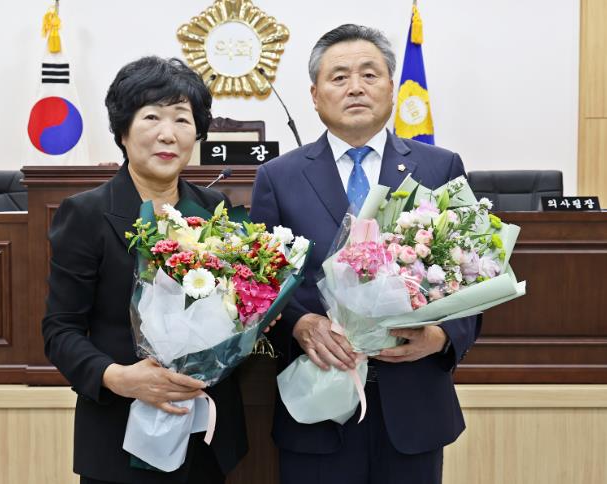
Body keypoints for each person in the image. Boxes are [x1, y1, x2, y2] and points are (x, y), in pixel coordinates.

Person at [250, 24, 482, 484]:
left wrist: (441, 336)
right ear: (315, 95)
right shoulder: (278, 176)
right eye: (339, 77)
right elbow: (262, 284)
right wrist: (300, 322)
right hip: (318, 401)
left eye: (369, 74)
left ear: (392, 87)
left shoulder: (440, 167)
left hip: (413, 402)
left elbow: (476, 273)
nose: (355, 87)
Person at [42, 56, 248, 484]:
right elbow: (60, 331)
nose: (167, 133)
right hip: (119, 437)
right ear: (123, 130)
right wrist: (120, 378)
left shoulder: (215, 210)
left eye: (182, 119)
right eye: (152, 117)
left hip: (205, 439)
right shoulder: (86, 214)